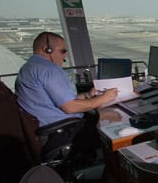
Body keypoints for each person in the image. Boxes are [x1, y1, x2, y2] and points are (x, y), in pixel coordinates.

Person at [15, 31, 119, 161]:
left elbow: (57, 100)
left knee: (102, 116)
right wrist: (104, 98)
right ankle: (111, 171)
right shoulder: (49, 70)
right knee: (115, 122)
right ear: (47, 49)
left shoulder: (28, 67)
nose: (65, 56)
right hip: (63, 132)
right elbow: (70, 107)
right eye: (63, 51)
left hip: (46, 131)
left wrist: (88, 95)